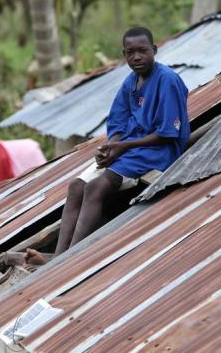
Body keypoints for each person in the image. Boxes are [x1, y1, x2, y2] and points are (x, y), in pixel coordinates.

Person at [53, 26, 190, 256]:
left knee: (96, 187)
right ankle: (57, 255)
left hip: (157, 150)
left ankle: (69, 258)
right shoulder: (131, 82)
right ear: (124, 54)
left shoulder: (167, 80)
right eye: (130, 52)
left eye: (142, 51)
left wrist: (122, 146)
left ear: (154, 50)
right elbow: (117, 122)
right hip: (129, 147)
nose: (136, 57)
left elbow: (167, 133)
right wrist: (110, 147)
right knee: (76, 186)